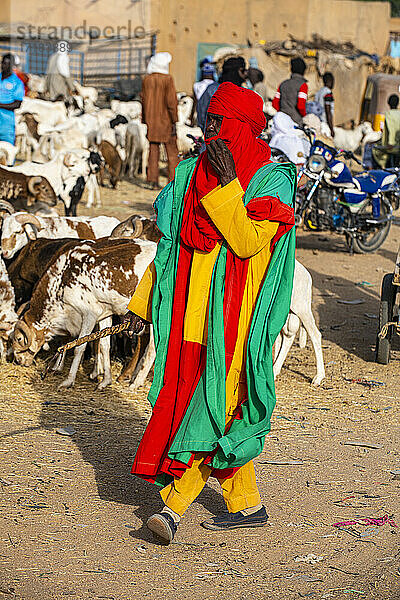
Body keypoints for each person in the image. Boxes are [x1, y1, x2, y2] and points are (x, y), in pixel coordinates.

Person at [123, 82, 296, 545]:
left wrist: (227, 186)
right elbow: (168, 250)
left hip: (235, 324)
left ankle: (173, 508)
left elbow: (245, 241)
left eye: (218, 122)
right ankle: (248, 505)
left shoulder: (271, 179)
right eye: (207, 119)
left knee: (210, 408)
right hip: (187, 318)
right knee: (210, 408)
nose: (209, 129)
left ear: (241, 126)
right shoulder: (189, 174)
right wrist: (142, 305)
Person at [141, 51, 179, 190]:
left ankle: (153, 181)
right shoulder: (167, 79)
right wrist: (175, 120)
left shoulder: (147, 79)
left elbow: (144, 101)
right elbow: (171, 102)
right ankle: (173, 182)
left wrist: (145, 120)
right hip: (166, 121)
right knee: (172, 153)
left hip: (152, 121)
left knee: (153, 151)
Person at [196, 56, 247, 132]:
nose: (246, 74)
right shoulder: (213, 90)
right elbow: (202, 115)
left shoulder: (244, 93)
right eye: (243, 71)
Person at [272, 57, 308, 125]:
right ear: (304, 71)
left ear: (291, 69)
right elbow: (301, 106)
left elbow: (275, 103)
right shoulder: (303, 85)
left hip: (281, 121)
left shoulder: (282, 84)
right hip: (295, 122)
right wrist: (304, 116)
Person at [0, 53, 24, 145]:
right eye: (3, 63)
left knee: (7, 151)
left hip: (6, 124)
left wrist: (0, 105)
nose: (4, 66)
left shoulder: (17, 82)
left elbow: (17, 104)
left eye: (7, 64)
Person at [372, 94, 400, 168]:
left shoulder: (389, 114)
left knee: (374, 149)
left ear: (388, 103)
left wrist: (391, 143)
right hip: (398, 146)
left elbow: (392, 130)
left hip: (392, 147)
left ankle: (377, 169)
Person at [314, 72, 335, 138]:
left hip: (317, 122)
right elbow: (328, 111)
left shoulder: (318, 92)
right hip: (324, 123)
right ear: (329, 81)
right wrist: (331, 129)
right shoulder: (328, 92)